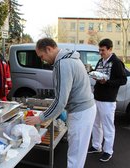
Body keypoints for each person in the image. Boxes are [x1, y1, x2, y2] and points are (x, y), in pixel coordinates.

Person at [25, 38, 96, 168]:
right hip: (86, 109)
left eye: (42, 56)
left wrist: (39, 118)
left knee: (75, 156)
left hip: (80, 113)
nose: (42, 59)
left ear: (49, 49)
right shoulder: (71, 58)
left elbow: (60, 101)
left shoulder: (62, 64)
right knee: (78, 153)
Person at [88, 39, 127, 162]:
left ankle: (108, 151)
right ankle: (96, 146)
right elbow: (98, 73)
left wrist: (107, 82)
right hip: (97, 97)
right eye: (99, 50)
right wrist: (94, 75)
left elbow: (123, 80)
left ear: (110, 49)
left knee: (108, 126)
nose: (100, 52)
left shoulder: (116, 62)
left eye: (102, 50)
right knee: (96, 124)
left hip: (108, 100)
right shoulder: (100, 61)